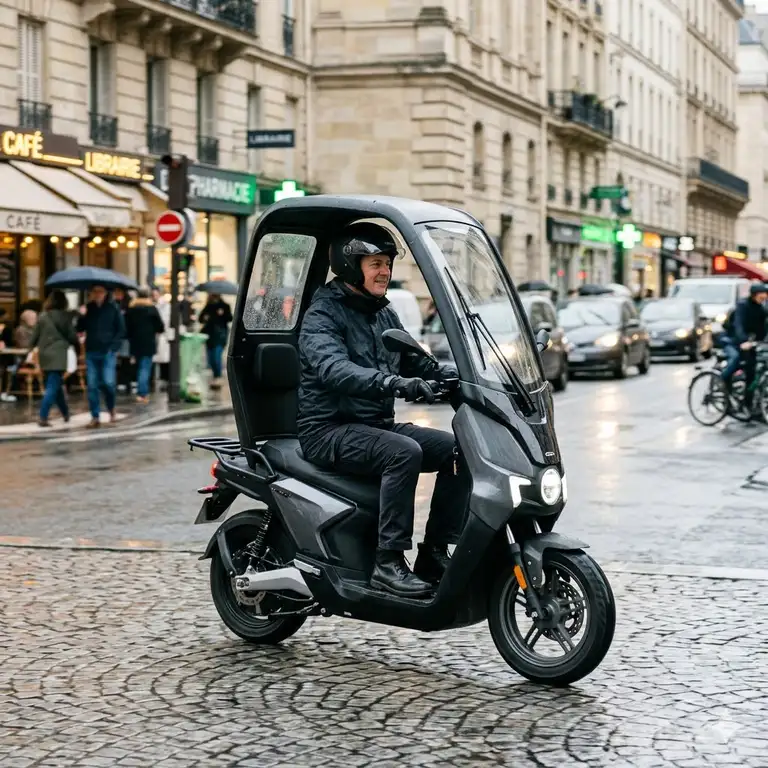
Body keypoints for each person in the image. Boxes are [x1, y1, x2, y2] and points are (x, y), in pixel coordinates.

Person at [297, 222, 470, 598]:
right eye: (375, 263)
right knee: (402, 452)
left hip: (374, 424)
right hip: (327, 429)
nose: (385, 272)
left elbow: (414, 360)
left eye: (388, 263)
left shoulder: (381, 313)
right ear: (349, 266)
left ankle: (434, 552)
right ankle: (387, 563)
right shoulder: (322, 314)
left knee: (460, 450)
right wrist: (393, 383)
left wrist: (462, 376)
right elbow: (334, 369)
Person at [76, 285, 125, 428]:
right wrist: (82, 316)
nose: (97, 294)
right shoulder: (88, 309)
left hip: (107, 351)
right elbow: (80, 328)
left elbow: (121, 330)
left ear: (105, 293)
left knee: (108, 383)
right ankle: (95, 416)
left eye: (100, 292)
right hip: (92, 351)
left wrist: (114, 347)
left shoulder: (112, 309)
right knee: (92, 385)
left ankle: (111, 408)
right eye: (95, 292)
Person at [28, 290, 78, 427]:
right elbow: (72, 336)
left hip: (44, 354)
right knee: (53, 385)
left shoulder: (42, 317)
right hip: (59, 354)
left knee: (55, 384)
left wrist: (29, 350)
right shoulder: (65, 316)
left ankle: (66, 413)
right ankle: (43, 417)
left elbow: (34, 337)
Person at [720, 282, 768, 412]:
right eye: (761, 297)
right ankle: (722, 380)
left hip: (748, 344)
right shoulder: (742, 306)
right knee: (735, 359)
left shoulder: (761, 309)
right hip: (731, 341)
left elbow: (762, 329)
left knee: (752, 372)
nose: (764, 299)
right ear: (754, 295)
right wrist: (744, 341)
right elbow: (738, 326)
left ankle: (747, 403)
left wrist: (761, 340)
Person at [125, 289, 165, 404]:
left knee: (139, 366)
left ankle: (140, 391)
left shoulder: (131, 309)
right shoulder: (152, 309)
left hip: (135, 341)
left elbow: (126, 327)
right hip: (148, 341)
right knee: (145, 367)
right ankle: (142, 393)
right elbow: (160, 327)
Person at [199, 292, 233, 389]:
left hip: (220, 336)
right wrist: (205, 318)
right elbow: (200, 318)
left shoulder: (225, 306)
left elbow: (230, 318)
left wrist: (222, 314)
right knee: (210, 359)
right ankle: (215, 375)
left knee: (216, 356)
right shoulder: (208, 306)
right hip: (209, 336)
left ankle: (218, 376)